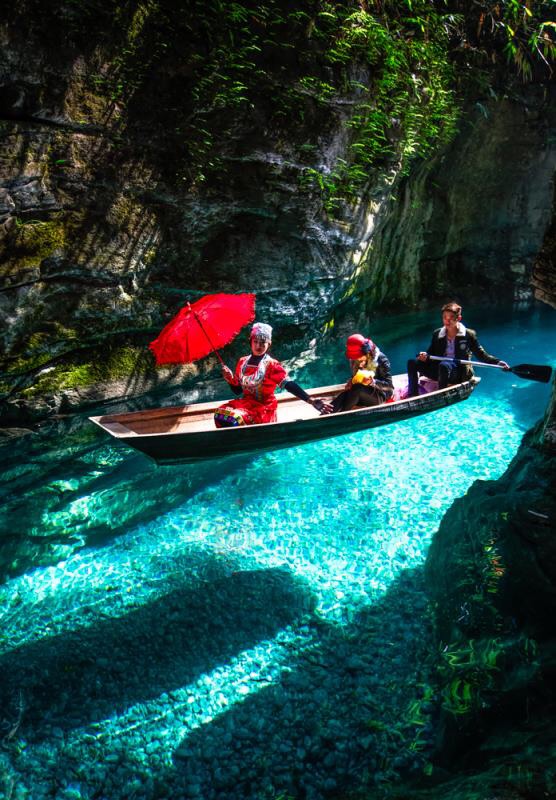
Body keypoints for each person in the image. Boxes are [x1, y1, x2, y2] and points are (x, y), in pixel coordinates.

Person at [214, 322, 332, 427]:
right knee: (220, 414)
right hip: (245, 405)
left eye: (263, 343)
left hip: (263, 409)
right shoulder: (242, 362)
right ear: (250, 342)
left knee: (234, 418)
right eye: (255, 342)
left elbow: (288, 384)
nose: (258, 346)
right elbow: (238, 391)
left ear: (269, 344)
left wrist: (310, 400)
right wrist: (229, 379)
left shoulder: (272, 365)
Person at [406, 302, 510, 397]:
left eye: (451, 317)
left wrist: (498, 362)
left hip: (457, 373)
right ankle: (413, 394)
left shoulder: (468, 335)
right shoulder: (437, 334)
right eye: (445, 317)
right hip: (439, 371)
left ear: (458, 318)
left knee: (444, 365)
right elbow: (431, 353)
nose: (447, 320)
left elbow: (481, 355)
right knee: (412, 362)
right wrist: (424, 356)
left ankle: (442, 396)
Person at [331, 334, 394, 412]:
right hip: (360, 393)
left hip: (379, 395)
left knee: (357, 389)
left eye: (358, 356)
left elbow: (389, 387)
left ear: (367, 352)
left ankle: (341, 415)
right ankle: (325, 415)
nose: (356, 359)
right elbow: (356, 377)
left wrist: (372, 382)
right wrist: (352, 381)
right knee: (344, 394)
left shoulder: (381, 359)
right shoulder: (355, 360)